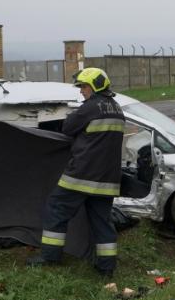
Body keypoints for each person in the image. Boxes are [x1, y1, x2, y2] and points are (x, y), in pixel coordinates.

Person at [28, 67, 125, 277]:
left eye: (84, 86)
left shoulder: (91, 108)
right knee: (102, 222)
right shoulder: (117, 108)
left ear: (95, 86)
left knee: (56, 209)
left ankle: (50, 257)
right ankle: (106, 269)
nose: (81, 91)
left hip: (81, 176)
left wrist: (75, 113)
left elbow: (67, 127)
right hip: (108, 180)